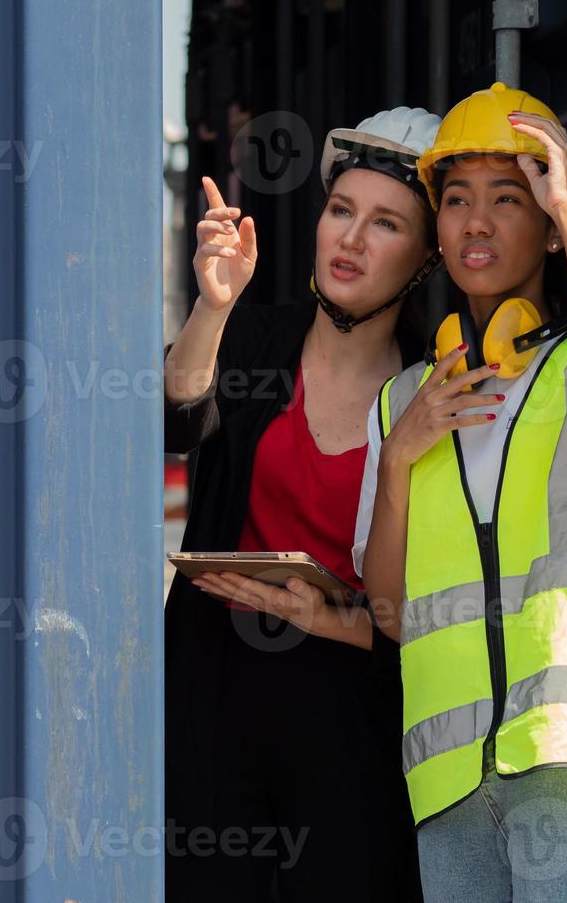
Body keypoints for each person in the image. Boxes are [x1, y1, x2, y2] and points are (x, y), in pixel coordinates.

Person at [355, 83, 567, 902]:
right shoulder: (402, 404)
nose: (476, 222)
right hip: (448, 771)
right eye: (456, 200)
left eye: (509, 200)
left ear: (541, 224)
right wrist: (398, 459)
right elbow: (389, 613)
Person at [163, 108, 441, 902]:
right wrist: (212, 305)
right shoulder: (250, 344)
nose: (350, 239)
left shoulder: (431, 389)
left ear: (425, 258)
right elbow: (174, 416)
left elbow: (442, 598)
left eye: (385, 223)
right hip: (218, 698)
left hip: (352, 713)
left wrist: (338, 620)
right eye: (340, 211)